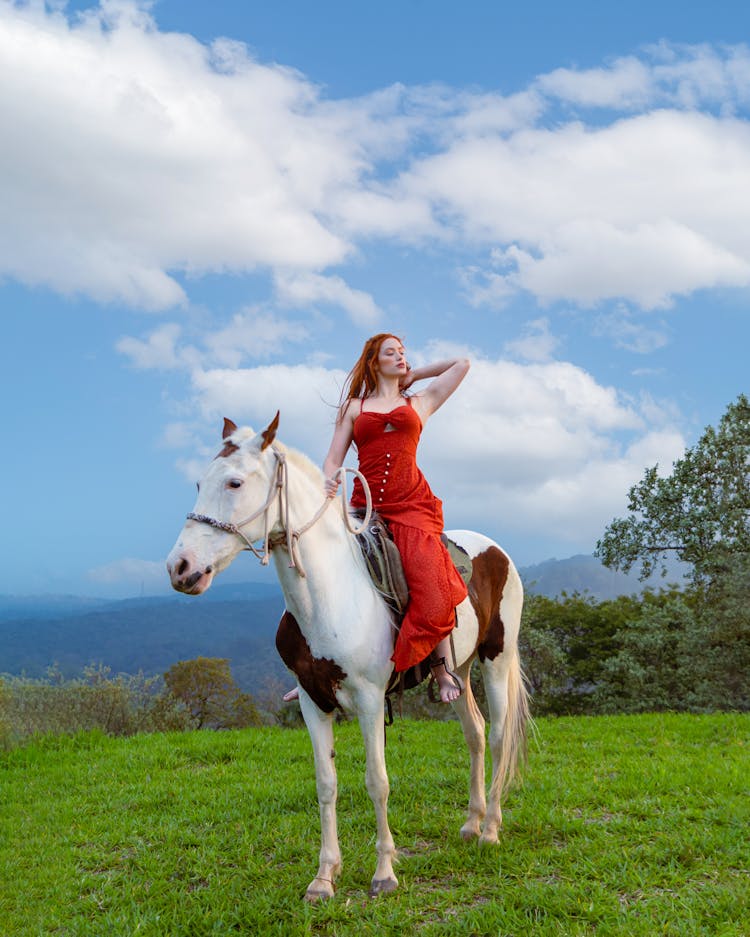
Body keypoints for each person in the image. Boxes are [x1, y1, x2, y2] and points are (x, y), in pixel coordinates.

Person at [284, 333, 470, 704]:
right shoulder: (354, 407)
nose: (400, 357)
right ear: (374, 361)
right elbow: (334, 456)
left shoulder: (420, 402)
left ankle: (440, 668)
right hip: (363, 504)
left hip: (412, 504)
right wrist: (330, 477)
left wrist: (412, 376)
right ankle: (308, 669)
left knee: (428, 576)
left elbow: (461, 364)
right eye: (391, 353)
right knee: (313, 568)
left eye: (403, 352)